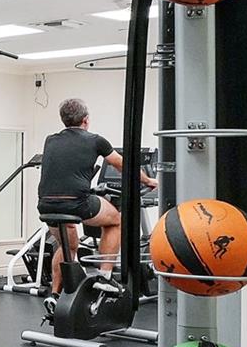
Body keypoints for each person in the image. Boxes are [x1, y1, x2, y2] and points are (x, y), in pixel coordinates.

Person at [38, 98, 158, 294]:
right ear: (86, 119)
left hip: (46, 205)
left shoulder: (50, 140)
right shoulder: (96, 140)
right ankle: (104, 276)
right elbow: (123, 165)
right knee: (116, 221)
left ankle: (55, 293)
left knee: (68, 246)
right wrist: (148, 180)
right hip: (77, 204)